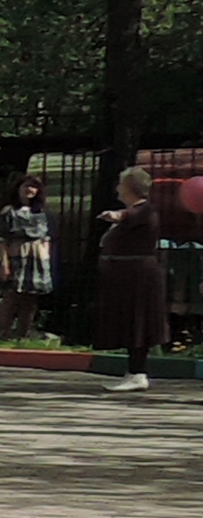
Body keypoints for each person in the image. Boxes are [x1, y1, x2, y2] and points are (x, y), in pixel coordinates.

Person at [97, 166, 166, 391]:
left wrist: (116, 216)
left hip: (139, 277)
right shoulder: (138, 211)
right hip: (127, 276)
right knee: (130, 321)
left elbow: (128, 216)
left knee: (138, 321)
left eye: (121, 184)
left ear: (129, 187)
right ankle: (134, 370)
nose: (117, 188)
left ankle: (138, 372)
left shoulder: (145, 210)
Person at [0, 176, 56, 342]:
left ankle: (23, 335)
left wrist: (46, 258)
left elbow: (47, 237)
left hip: (37, 258)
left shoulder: (42, 213)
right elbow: (2, 239)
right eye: (26, 186)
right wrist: (5, 263)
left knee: (30, 299)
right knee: (11, 297)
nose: (30, 190)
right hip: (17, 255)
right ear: (18, 188)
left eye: (34, 187)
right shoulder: (9, 212)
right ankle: (2, 334)